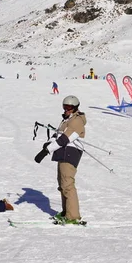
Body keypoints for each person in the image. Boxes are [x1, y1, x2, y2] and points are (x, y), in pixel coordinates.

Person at [34, 95, 86, 225]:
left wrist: (46, 151)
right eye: (65, 107)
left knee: (68, 185)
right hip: (62, 153)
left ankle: (73, 216)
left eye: (69, 107)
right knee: (62, 185)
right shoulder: (66, 120)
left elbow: (65, 139)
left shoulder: (77, 120)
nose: (66, 109)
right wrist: (48, 143)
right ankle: (66, 212)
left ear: (75, 108)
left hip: (70, 153)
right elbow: (57, 135)